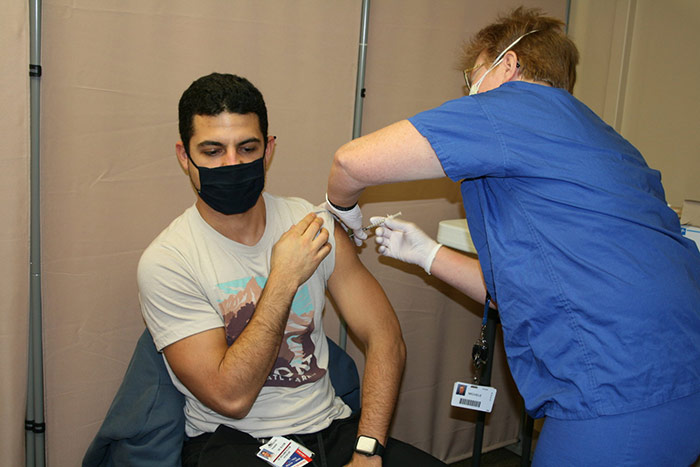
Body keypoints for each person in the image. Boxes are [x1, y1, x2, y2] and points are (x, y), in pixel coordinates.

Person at [324, 7, 700, 467]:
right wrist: (427, 254)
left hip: (618, 386)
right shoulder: (609, 142)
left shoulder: (513, 108)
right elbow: (526, 291)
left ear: (508, 64)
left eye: (472, 75)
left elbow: (350, 163)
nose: (469, 89)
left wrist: (340, 208)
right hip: (682, 380)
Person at [137, 73, 446, 467]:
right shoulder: (168, 261)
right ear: (185, 156)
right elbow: (231, 398)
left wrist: (368, 449)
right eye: (213, 151)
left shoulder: (311, 225)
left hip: (330, 428)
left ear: (268, 150)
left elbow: (384, 335)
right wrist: (283, 277)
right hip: (235, 442)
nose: (231, 164)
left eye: (246, 148)